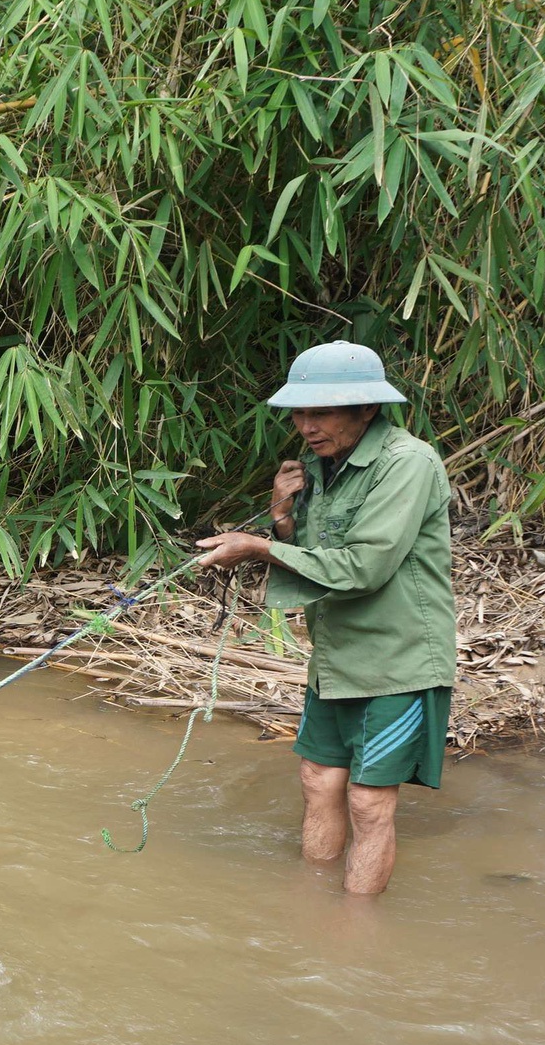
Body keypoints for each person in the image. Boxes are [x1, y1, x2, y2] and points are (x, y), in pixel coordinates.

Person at [195, 340, 456, 895]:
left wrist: (259, 548)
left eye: (321, 412)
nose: (305, 426)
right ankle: (311, 913)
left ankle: (354, 936)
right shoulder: (322, 466)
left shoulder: (407, 464)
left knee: (368, 800)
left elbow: (365, 567)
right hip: (336, 656)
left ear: (367, 410)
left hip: (397, 659)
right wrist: (283, 520)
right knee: (318, 779)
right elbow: (319, 555)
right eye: (300, 412)